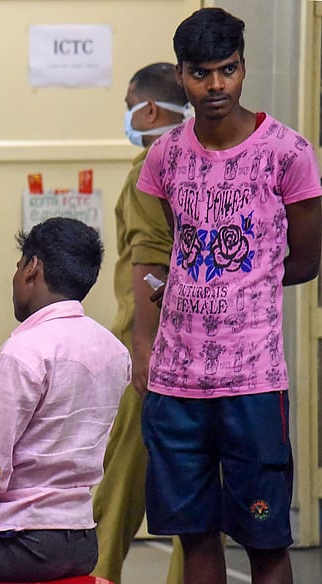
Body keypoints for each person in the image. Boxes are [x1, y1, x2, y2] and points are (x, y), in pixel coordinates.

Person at [137, 8, 322, 584]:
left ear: (244, 68)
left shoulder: (288, 152)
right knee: (195, 538)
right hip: (176, 382)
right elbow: (178, 252)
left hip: (253, 383)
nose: (215, 87)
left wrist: (244, 284)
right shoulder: (165, 155)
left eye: (228, 70)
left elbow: (306, 260)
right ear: (181, 74)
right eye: (200, 73)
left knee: (265, 541)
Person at [0, 217, 131, 582]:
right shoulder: (114, 351)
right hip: (81, 540)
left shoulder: (25, 351)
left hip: (22, 542)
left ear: (32, 268)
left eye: (18, 267)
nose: (15, 278)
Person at [91, 62, 187, 584]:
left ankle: (98, 573)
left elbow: (149, 263)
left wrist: (143, 349)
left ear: (148, 108)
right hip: (208, 347)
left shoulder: (150, 166)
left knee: (123, 472)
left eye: (129, 103)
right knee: (197, 485)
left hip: (148, 340)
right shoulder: (209, 159)